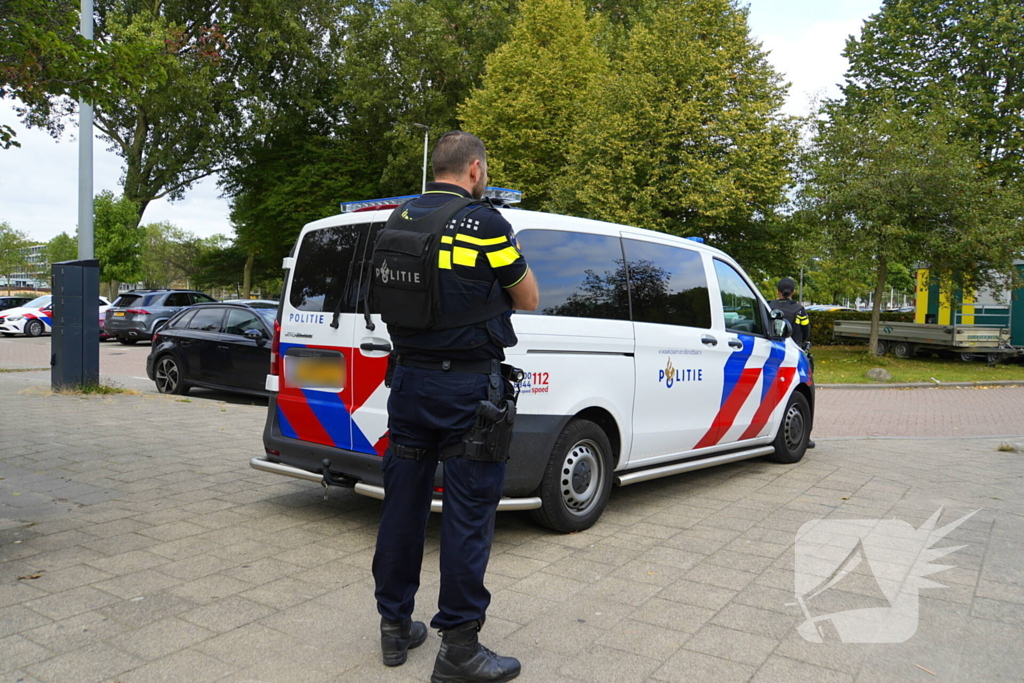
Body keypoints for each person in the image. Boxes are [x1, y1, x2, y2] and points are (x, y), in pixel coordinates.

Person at [370, 130, 539, 683]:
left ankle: (395, 626)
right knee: (467, 518)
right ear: (473, 169)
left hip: (409, 387)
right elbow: (528, 296)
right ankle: (459, 648)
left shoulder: (397, 219)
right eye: (483, 171)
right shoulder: (485, 223)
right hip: (469, 393)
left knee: (402, 508)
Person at [769, 277, 810, 349]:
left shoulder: (768, 306)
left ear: (778, 291)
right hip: (793, 348)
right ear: (793, 292)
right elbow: (806, 331)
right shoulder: (799, 309)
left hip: (772, 346)